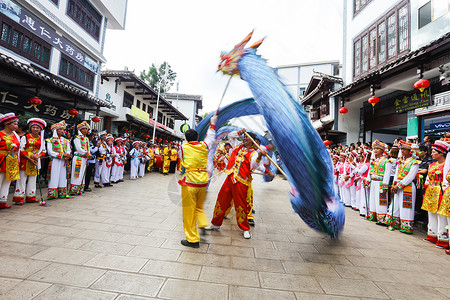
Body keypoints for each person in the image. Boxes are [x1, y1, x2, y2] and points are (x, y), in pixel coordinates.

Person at [207, 128, 273, 239]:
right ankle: (215, 223)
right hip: (230, 178)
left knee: (241, 205)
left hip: (241, 182)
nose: (245, 139)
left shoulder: (254, 153)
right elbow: (230, 137)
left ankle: (245, 228)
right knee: (221, 200)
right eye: (244, 137)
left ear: (252, 141)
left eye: (247, 138)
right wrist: (239, 132)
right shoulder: (237, 145)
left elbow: (254, 165)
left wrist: (261, 156)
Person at [178, 116, 217, 248]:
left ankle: (192, 239)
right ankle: (203, 223)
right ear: (197, 136)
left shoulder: (183, 147)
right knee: (199, 208)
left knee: (189, 212)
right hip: (203, 181)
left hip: (190, 182)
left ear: (186, 138)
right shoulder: (204, 146)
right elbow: (211, 137)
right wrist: (212, 124)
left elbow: (181, 159)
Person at [384, 140, 420, 233]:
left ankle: (406, 226)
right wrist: (394, 184)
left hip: (407, 186)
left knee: (406, 206)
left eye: (404, 149)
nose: (402, 151)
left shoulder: (415, 162)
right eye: (401, 149)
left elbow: (411, 176)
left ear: (410, 151)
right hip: (398, 185)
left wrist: (399, 185)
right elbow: (396, 173)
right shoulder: (400, 161)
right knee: (395, 204)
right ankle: (393, 222)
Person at [422, 140, 449, 248]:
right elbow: (428, 178)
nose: (432, 154)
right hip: (431, 191)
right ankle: (432, 235)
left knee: (441, 215)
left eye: (434, 152)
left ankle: (443, 239)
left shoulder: (447, 165)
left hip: (442, 191)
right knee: (431, 214)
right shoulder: (432, 164)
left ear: (441, 153)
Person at [13, 118, 47, 205]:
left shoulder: (41, 139)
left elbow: (43, 150)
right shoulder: (25, 137)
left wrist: (38, 156)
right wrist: (31, 157)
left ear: (40, 129)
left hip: (36, 161)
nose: (35, 129)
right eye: (33, 127)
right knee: (22, 179)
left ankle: (31, 196)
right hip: (25, 160)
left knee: (33, 179)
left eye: (37, 128)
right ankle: (19, 198)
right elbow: (21, 150)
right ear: (30, 128)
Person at [367, 140, 393, 223]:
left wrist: (385, 185)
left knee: (380, 200)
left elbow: (387, 174)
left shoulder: (387, 161)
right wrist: (368, 180)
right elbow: (370, 172)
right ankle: (373, 215)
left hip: (380, 182)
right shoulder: (374, 160)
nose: (375, 150)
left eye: (377, 149)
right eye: (374, 149)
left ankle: (381, 217)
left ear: (382, 150)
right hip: (373, 181)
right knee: (373, 199)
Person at [46, 120, 72, 200]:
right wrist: (61, 155)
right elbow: (50, 152)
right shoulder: (50, 140)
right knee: (54, 176)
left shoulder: (66, 140)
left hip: (64, 160)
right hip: (55, 160)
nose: (62, 131)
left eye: (63, 129)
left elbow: (68, 150)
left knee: (63, 176)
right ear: (55, 130)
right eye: (60, 129)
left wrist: (67, 154)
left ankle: (62, 193)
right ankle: (52, 194)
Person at [0, 113, 21, 208]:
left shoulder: (16, 136)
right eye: (14, 124)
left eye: (17, 124)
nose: (16, 126)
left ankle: (3, 201)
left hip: (12, 160)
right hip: (2, 159)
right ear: (7, 124)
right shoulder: (0, 134)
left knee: (7, 181)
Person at [69, 121, 91, 196]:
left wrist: (88, 154)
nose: (85, 130)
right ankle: (74, 190)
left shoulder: (86, 139)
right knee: (76, 173)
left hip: (84, 158)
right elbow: (78, 148)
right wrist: (87, 154)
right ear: (80, 130)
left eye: (86, 129)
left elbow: (88, 148)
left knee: (82, 174)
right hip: (78, 157)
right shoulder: (77, 138)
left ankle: (80, 189)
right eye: (83, 129)